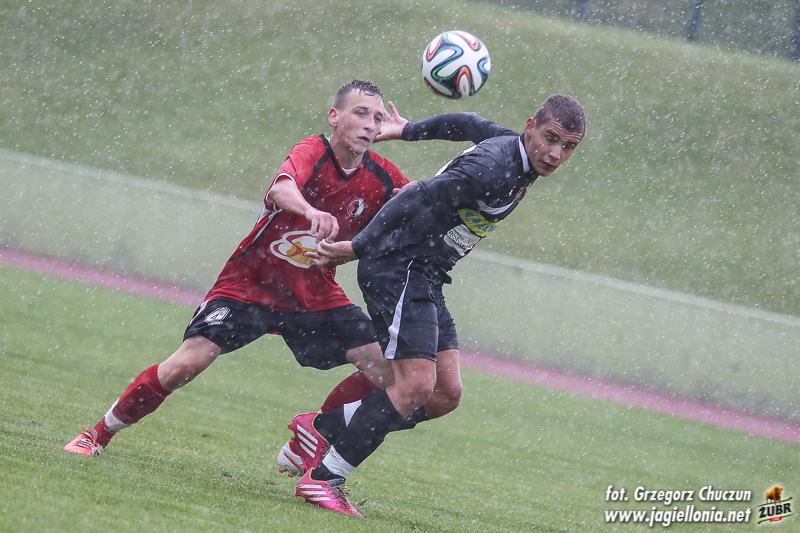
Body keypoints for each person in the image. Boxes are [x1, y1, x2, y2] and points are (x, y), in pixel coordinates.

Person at [63, 81, 410, 476]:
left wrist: (411, 134)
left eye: (377, 118)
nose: (369, 123)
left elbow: (422, 198)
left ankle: (311, 436)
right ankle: (97, 434)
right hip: (249, 286)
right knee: (185, 366)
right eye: (360, 113)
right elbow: (281, 188)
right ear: (334, 117)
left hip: (314, 295)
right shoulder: (313, 151)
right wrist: (310, 210)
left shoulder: (382, 175)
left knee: (389, 371)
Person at [286, 95, 586, 517]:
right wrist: (359, 246)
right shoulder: (494, 167)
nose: (556, 153)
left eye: (568, 146)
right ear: (531, 126)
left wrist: (407, 130)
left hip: (426, 274)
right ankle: (325, 478)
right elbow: (415, 196)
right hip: (398, 267)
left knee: (445, 394)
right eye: (551, 139)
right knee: (415, 387)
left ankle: (321, 429)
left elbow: (468, 122)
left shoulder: (515, 152)